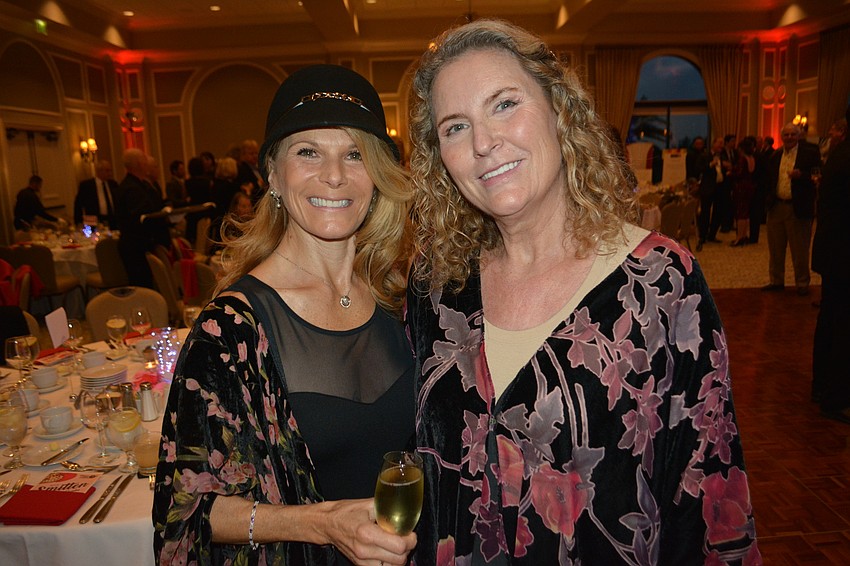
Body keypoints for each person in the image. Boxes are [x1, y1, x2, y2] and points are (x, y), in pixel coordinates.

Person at [406, 19, 760, 564]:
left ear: (559, 109)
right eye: (455, 127)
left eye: (504, 104)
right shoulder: (437, 286)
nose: (483, 143)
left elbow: (707, 496)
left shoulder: (661, 282)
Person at [153, 64, 417, 565]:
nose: (335, 175)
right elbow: (185, 509)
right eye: (308, 152)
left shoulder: (401, 300)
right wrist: (322, 525)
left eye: (354, 153)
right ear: (273, 173)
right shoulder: (229, 332)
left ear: (377, 174)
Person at [811, 105, 850, 421]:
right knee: (841, 325)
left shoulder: (839, 154)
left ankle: (821, 386)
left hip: (833, 253)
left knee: (830, 319)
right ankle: (835, 396)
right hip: (842, 254)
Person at [762, 123, 821, 295]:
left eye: (792, 135)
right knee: (775, 248)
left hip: (798, 208)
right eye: (786, 135)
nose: (789, 138)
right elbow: (769, 181)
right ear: (782, 137)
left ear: (798, 136)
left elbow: (817, 175)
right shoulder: (775, 156)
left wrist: (801, 175)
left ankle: (802, 283)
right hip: (776, 207)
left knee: (800, 249)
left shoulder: (809, 154)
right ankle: (776, 281)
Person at [114, 149, 170, 288]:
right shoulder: (131, 188)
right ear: (139, 164)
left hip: (138, 245)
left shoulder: (139, 185)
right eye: (145, 161)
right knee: (142, 285)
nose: (148, 165)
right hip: (136, 247)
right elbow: (141, 218)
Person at [729, 136, 756, 247]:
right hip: (750, 186)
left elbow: (739, 173)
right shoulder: (752, 158)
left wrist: (731, 173)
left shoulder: (742, 159)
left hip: (741, 187)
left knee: (740, 213)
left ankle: (739, 237)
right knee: (746, 213)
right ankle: (744, 235)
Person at [73, 160, 119, 226]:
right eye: (107, 171)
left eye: (110, 170)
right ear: (99, 171)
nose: (110, 173)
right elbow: (78, 205)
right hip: (94, 220)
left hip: (113, 220)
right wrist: (78, 222)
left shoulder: (113, 184)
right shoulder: (87, 185)